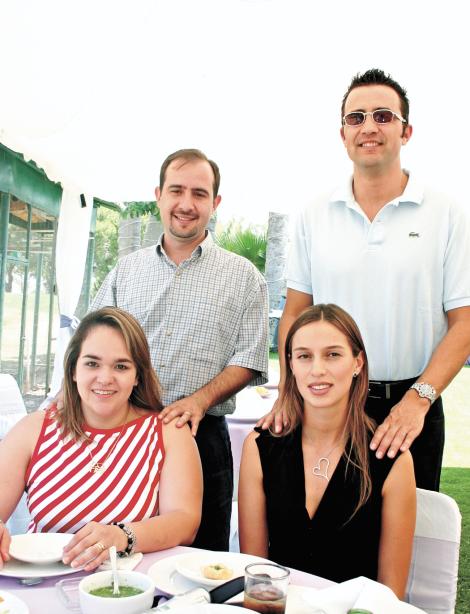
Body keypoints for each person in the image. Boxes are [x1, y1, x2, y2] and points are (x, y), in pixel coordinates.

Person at [260, 68, 470, 491]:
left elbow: (464, 322)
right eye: (355, 118)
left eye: (383, 116)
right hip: (327, 403)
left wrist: (418, 401)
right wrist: (288, 390)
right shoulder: (314, 214)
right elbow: (296, 313)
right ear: (342, 134)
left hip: (412, 409)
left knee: (404, 549)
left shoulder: (447, 212)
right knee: (321, 547)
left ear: (406, 131)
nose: (368, 127)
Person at [91, 149, 269, 550]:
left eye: (200, 194)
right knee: (116, 554)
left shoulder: (245, 278)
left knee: (201, 564)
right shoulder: (126, 271)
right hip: (122, 435)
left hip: (202, 437)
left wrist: (199, 400)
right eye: (176, 190)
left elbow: (251, 357)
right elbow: (92, 343)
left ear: (215, 203)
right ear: (158, 195)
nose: (186, 204)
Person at [0, 307, 202, 570]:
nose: (105, 378)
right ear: (73, 370)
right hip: (41, 582)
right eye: (92, 363)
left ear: (137, 375)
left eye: (121, 366)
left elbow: (185, 521)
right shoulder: (33, 429)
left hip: (132, 588)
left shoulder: (169, 431)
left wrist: (122, 536)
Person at [240, 304, 416, 598]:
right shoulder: (260, 447)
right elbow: (257, 575)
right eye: (304, 356)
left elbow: (389, 595)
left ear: (358, 363)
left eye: (333, 354)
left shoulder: (391, 458)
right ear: (291, 365)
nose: (317, 369)